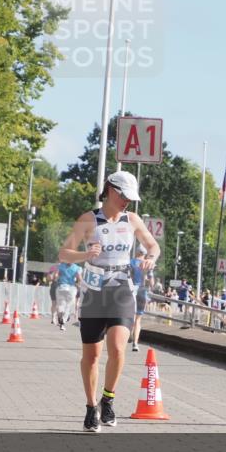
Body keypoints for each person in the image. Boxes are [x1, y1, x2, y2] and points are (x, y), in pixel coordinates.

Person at [59, 171, 160, 432]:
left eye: (130, 198)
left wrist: (151, 257)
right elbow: (63, 254)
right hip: (94, 291)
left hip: (121, 290)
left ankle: (109, 399)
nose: (127, 201)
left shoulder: (132, 220)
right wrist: (85, 254)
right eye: (124, 196)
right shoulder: (88, 220)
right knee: (91, 356)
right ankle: (91, 407)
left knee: (117, 347)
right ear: (111, 190)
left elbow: (153, 245)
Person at [129, 251, 151, 352]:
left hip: (131, 290)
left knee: (130, 316)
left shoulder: (129, 262)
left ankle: (130, 334)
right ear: (144, 254)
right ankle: (135, 343)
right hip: (142, 291)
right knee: (138, 319)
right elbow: (151, 282)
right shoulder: (147, 263)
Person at [55, 260, 82, 330]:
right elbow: (79, 278)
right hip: (71, 288)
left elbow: (56, 275)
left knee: (62, 305)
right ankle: (63, 321)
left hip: (62, 287)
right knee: (68, 305)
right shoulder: (77, 268)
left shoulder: (60, 266)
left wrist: (56, 278)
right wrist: (79, 284)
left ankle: (61, 318)